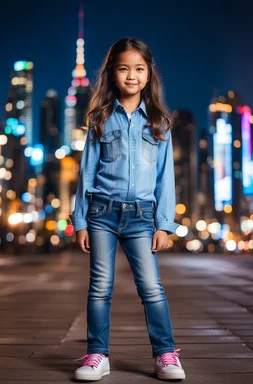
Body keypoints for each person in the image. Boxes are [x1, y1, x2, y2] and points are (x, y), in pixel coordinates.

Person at [69, 37, 186, 381]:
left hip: (142, 218)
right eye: (123, 69)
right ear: (112, 74)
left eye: (139, 69)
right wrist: (80, 221)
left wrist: (164, 224)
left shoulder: (160, 122)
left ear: (149, 74)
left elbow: (166, 178)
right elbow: (86, 173)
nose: (131, 76)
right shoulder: (101, 118)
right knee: (99, 287)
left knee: (151, 287)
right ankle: (97, 355)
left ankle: (165, 355)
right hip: (101, 214)